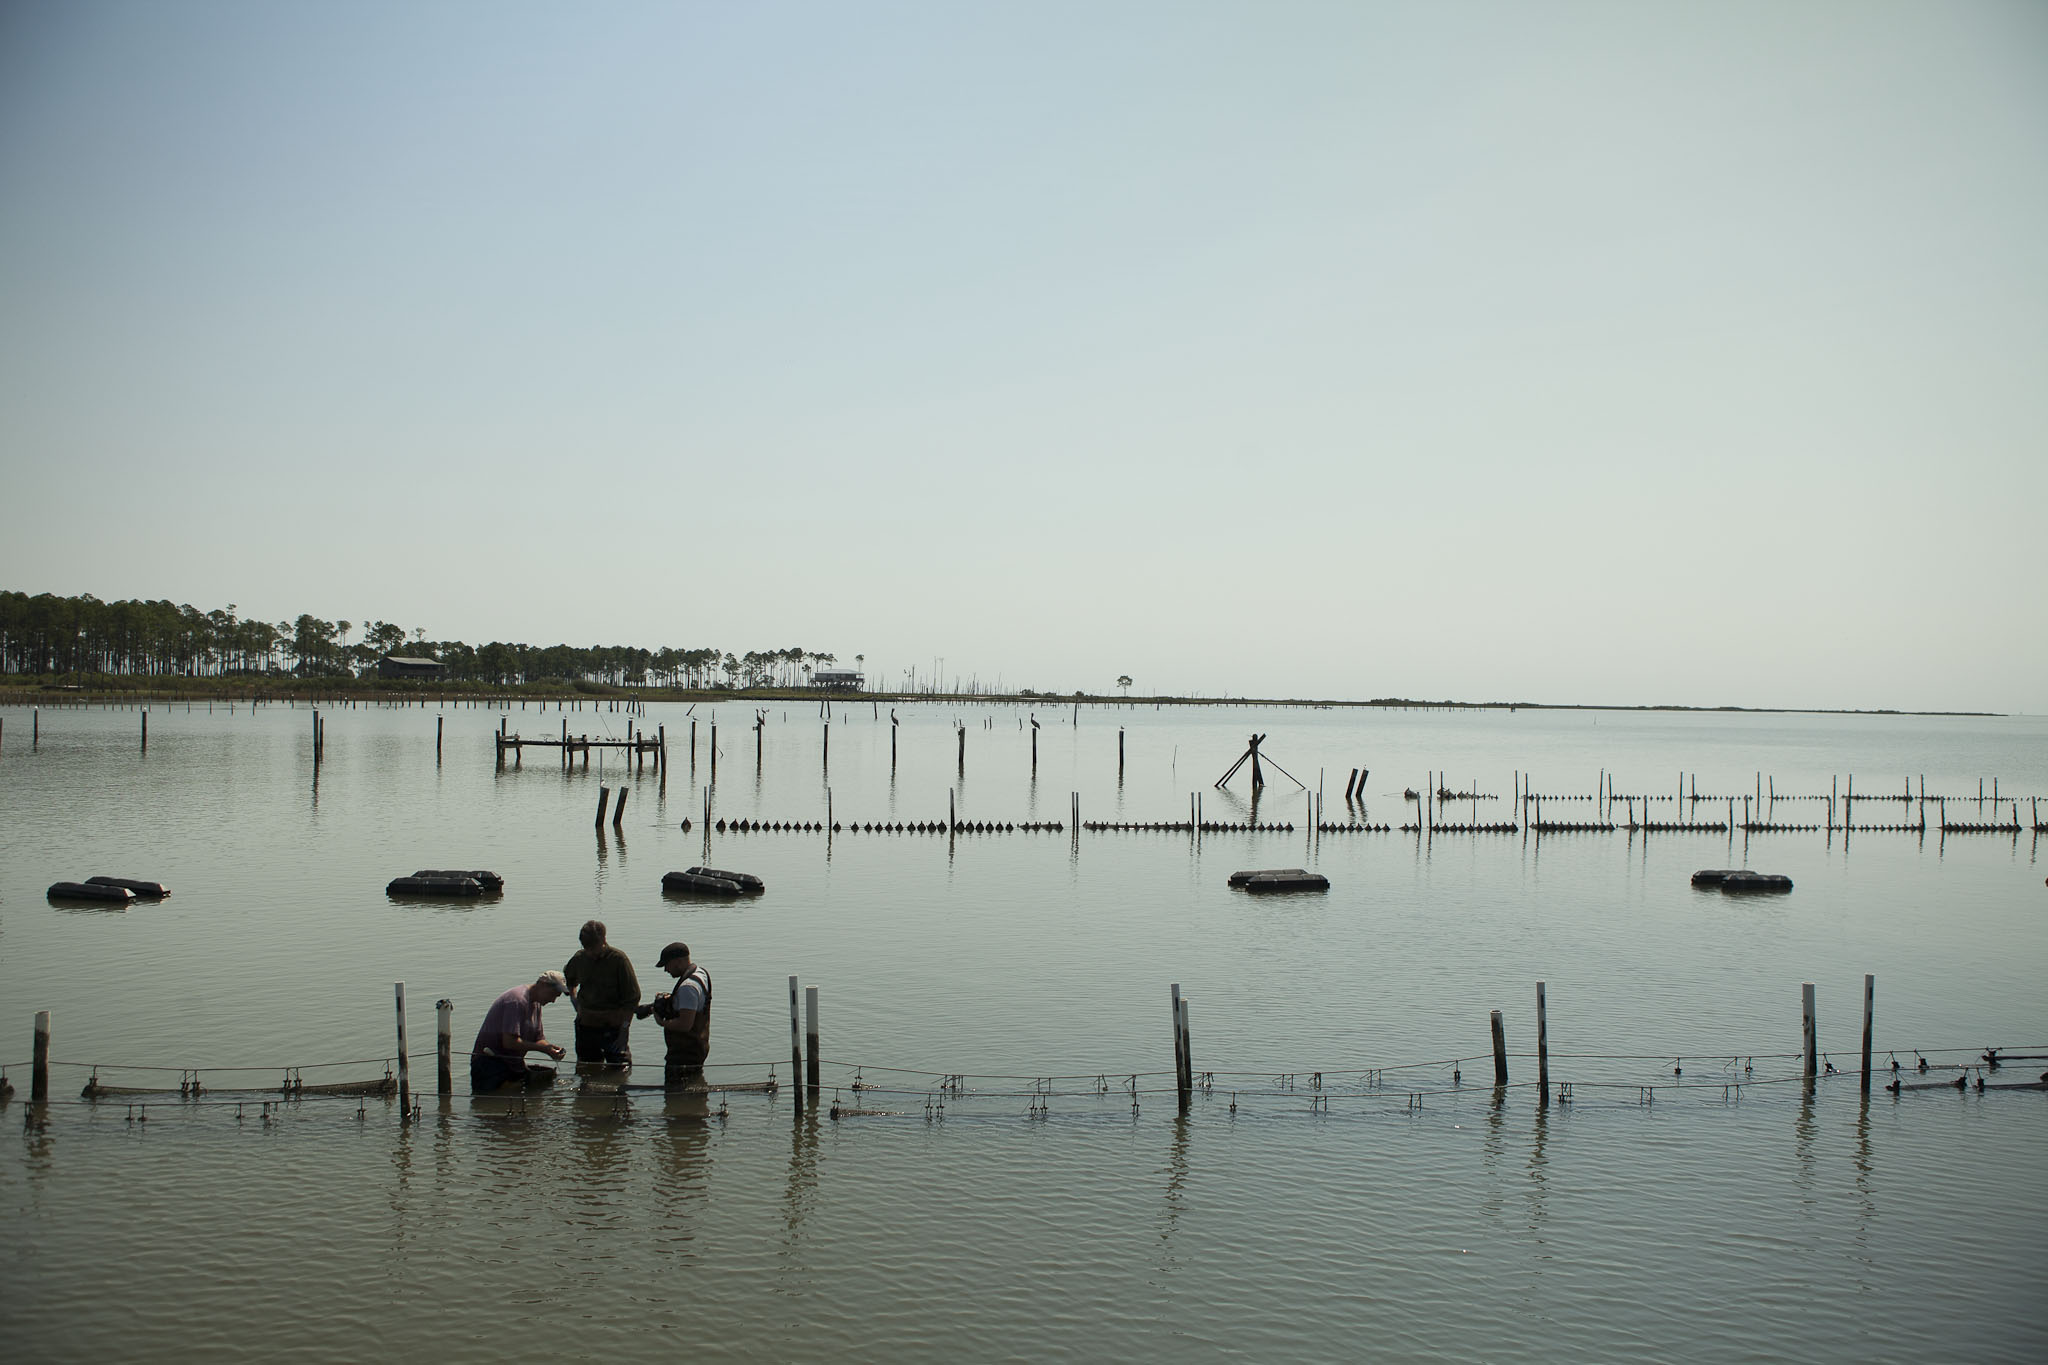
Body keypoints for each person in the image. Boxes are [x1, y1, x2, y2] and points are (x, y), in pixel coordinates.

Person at [470, 970, 568, 1093]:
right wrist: (543, 1049)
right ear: (542, 985)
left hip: (512, 1063)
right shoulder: (516, 1001)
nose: (553, 1000)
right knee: (493, 1099)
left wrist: (550, 1049)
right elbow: (510, 1042)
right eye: (553, 994)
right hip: (489, 1062)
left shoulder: (536, 1003)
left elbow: (538, 1038)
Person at [562, 920, 641, 1067]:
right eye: (587, 948)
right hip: (586, 1025)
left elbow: (632, 998)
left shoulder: (618, 960)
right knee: (586, 1068)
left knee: (620, 1067)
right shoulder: (579, 958)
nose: (591, 953)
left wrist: (624, 1029)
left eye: (594, 948)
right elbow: (570, 980)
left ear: (604, 940)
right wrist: (574, 1000)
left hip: (612, 1027)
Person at [642, 941, 711, 1086]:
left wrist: (661, 1022)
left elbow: (685, 1024)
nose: (666, 970)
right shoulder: (701, 973)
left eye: (667, 965)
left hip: (684, 1055)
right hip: (698, 1049)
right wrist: (672, 1000)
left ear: (678, 961)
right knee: (693, 1090)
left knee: (674, 1091)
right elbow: (694, 1005)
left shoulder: (687, 987)